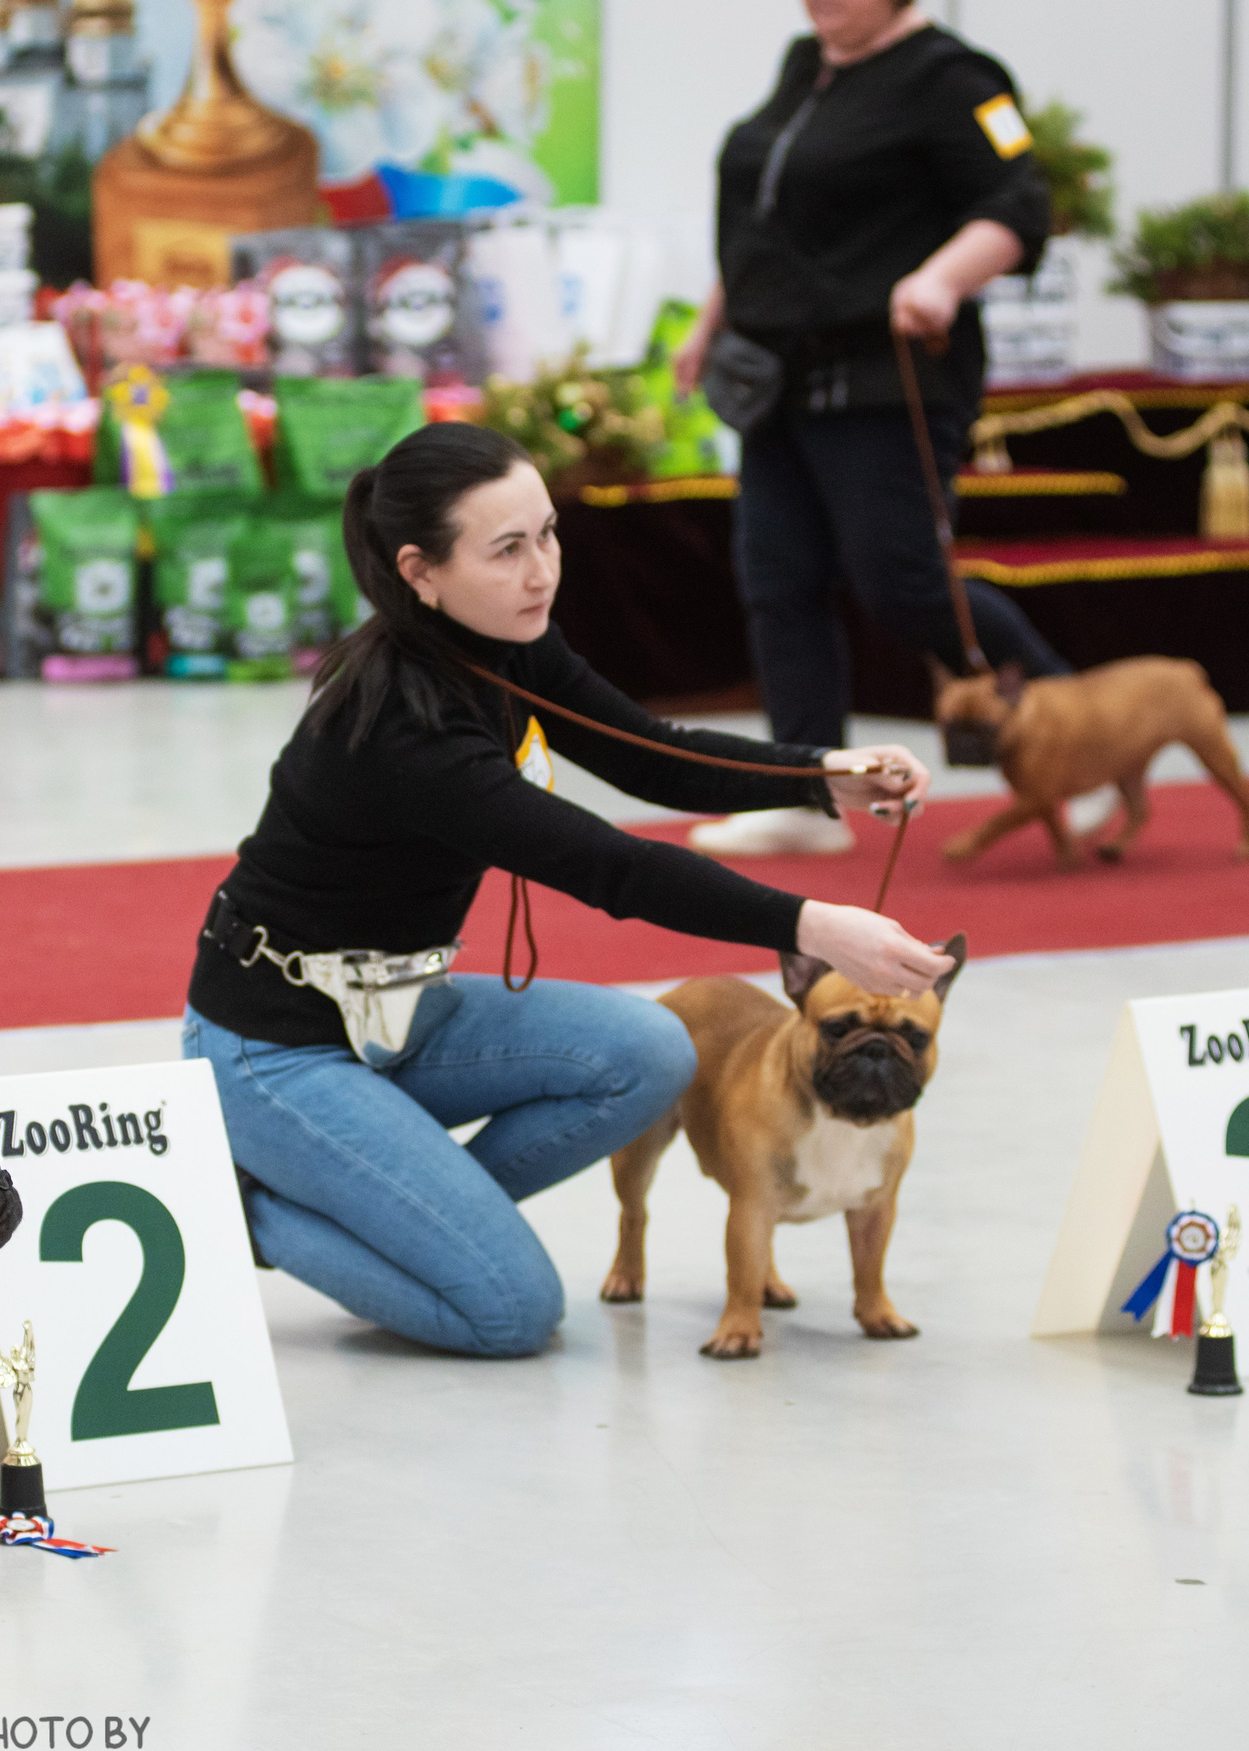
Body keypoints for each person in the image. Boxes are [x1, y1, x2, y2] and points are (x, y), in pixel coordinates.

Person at [183, 421, 952, 1357]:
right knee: (510, 1311)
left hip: (397, 1009)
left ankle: (415, 1218)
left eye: (547, 534)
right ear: (420, 569)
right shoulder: (403, 729)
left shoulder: (501, 641)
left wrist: (820, 771)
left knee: (652, 1048)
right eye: (507, 549)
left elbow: (653, 751)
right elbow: (610, 866)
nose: (543, 570)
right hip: (279, 1047)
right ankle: (249, 1202)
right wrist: (811, 923)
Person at [677, 0, 1071, 857]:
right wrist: (710, 322)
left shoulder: (952, 78)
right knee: (778, 581)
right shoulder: (802, 65)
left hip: (887, 374)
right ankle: (805, 796)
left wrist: (942, 278)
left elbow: (1020, 202)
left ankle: (1078, 717)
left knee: (903, 584)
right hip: (776, 376)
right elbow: (758, 228)